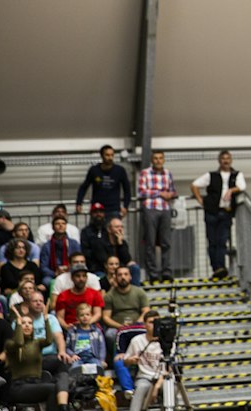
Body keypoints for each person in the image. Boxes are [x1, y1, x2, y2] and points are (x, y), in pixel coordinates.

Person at [191, 150, 246, 279]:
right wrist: (200, 200)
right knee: (212, 241)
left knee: (222, 241)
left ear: (231, 160)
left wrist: (232, 190)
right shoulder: (211, 175)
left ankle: (220, 267)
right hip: (211, 212)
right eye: (223, 158)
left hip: (226, 212)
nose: (226, 161)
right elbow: (194, 185)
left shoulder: (236, 174)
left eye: (228, 158)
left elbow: (242, 186)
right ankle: (216, 268)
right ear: (219, 161)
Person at [6, 311, 70, 411]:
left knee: (58, 385)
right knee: (52, 389)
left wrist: (46, 320)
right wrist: (18, 324)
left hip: (35, 383)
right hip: (19, 386)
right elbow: (19, 342)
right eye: (23, 323)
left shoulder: (37, 343)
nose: (27, 325)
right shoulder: (10, 344)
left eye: (30, 323)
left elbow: (49, 340)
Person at [138, 150, 177, 282]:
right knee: (150, 242)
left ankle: (166, 271)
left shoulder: (168, 173)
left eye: (161, 158)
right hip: (150, 208)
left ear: (164, 160)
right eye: (155, 158)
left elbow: (173, 190)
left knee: (166, 243)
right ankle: (153, 273)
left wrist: (170, 195)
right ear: (152, 160)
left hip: (165, 209)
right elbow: (142, 192)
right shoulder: (145, 173)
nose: (158, 160)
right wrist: (160, 194)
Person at [119, 310, 164, 411]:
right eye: (151, 322)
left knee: (172, 389)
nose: (154, 325)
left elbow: (169, 369)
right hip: (144, 377)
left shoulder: (166, 341)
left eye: (157, 322)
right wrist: (130, 360)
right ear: (144, 324)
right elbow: (125, 362)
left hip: (163, 378)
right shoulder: (136, 340)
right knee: (140, 388)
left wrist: (156, 387)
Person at [102, 267, 150, 351]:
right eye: (120, 275)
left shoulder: (139, 292)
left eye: (125, 274)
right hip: (117, 327)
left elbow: (146, 311)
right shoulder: (109, 295)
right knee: (109, 334)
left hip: (137, 325)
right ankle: (116, 357)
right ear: (115, 277)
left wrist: (138, 322)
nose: (123, 277)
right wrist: (120, 326)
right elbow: (106, 317)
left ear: (130, 276)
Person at [86, 218, 141, 286]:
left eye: (121, 227)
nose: (120, 229)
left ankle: (134, 292)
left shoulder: (123, 243)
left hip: (119, 269)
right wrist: (118, 265)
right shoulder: (99, 242)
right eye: (117, 227)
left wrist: (120, 244)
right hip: (103, 270)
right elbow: (105, 260)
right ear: (109, 229)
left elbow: (127, 260)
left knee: (134, 268)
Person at [55, 264, 104, 331]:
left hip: (91, 326)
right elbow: (60, 317)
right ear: (72, 278)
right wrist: (67, 327)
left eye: (84, 276)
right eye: (78, 276)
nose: (81, 279)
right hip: (70, 328)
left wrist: (85, 324)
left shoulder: (95, 294)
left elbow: (98, 314)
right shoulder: (63, 295)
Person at [40, 215, 81, 286]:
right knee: (46, 281)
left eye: (63, 223)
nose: (60, 226)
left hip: (71, 272)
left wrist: (68, 269)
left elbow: (79, 261)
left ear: (66, 226)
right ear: (53, 227)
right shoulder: (46, 246)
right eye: (57, 224)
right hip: (53, 273)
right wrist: (55, 273)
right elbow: (43, 267)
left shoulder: (73, 243)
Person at [66, 303, 107, 369]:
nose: (85, 317)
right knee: (74, 368)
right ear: (77, 318)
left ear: (91, 316)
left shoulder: (97, 331)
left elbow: (102, 347)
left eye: (87, 314)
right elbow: (67, 347)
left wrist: (102, 360)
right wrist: (72, 355)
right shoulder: (72, 331)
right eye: (82, 315)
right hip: (78, 358)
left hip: (93, 357)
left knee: (98, 368)